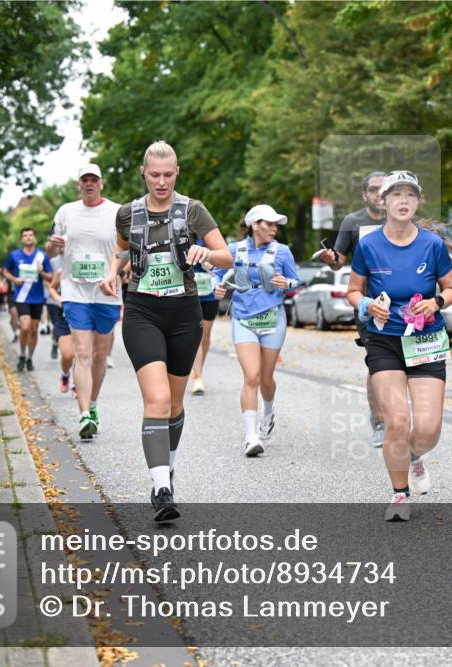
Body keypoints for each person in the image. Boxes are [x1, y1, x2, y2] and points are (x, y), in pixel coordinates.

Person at [99, 140, 231, 523]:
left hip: (184, 314)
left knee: (174, 404)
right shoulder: (127, 213)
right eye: (154, 175)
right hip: (142, 310)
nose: (161, 182)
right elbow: (121, 251)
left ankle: (166, 467)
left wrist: (207, 254)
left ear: (177, 172)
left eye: (168, 175)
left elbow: (227, 255)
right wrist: (112, 273)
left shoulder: (192, 210)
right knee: (156, 400)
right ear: (144, 172)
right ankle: (160, 488)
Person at [346, 171, 452, 522]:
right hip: (384, 341)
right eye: (396, 194)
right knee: (396, 421)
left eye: (410, 194)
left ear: (417, 201)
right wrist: (366, 306)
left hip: (425, 340)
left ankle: (414, 455)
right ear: (383, 202)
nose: (403, 200)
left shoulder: (432, 245)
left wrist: (437, 302)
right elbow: (353, 290)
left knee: (427, 429)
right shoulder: (368, 245)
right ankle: (399, 495)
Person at [213, 204, 300, 457]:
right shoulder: (233, 250)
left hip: (273, 318)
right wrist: (218, 288)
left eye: (275, 225)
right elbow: (219, 276)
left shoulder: (282, 252)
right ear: (254, 224)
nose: (274, 229)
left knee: (265, 378)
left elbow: (296, 281)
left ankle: (269, 412)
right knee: (251, 376)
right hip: (243, 319)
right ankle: (251, 437)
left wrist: (287, 283)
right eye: (269, 224)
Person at [47, 164, 122, 440]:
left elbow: (124, 249)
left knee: (101, 354)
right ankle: (83, 415)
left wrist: (119, 272)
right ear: (79, 185)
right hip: (74, 291)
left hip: (106, 291)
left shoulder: (116, 212)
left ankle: (92, 404)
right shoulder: (66, 212)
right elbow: (50, 248)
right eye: (84, 180)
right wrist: (54, 245)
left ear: (101, 183)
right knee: (82, 352)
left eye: (94, 180)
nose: (89, 184)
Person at [317, 171, 387, 447]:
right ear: (364, 195)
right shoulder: (353, 222)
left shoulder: (403, 218)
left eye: (385, 189)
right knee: (378, 360)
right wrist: (329, 259)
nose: (380, 194)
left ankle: (399, 414)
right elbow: (339, 262)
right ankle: (380, 421)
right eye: (374, 189)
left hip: (402, 302)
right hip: (368, 304)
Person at [2, 228, 53, 371]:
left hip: (37, 298)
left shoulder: (42, 256)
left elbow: (50, 277)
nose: (28, 237)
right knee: (25, 327)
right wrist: (14, 279)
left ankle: (30, 358)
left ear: (35, 238)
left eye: (31, 235)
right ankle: (22, 355)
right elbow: (4, 271)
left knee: (34, 329)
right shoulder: (14, 255)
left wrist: (41, 271)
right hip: (21, 297)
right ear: (22, 239)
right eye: (25, 235)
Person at [189, 239, 220, 396]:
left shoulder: (211, 239)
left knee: (205, 337)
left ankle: (198, 369)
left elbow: (222, 264)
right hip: (191, 294)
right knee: (197, 335)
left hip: (210, 294)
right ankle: (197, 377)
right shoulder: (183, 235)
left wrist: (209, 263)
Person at [44, 262, 76, 395]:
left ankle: (77, 385)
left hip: (85, 316)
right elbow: (52, 288)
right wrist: (59, 299)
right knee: (68, 354)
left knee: (81, 354)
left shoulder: (94, 267)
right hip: (64, 316)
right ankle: (65, 374)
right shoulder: (61, 270)